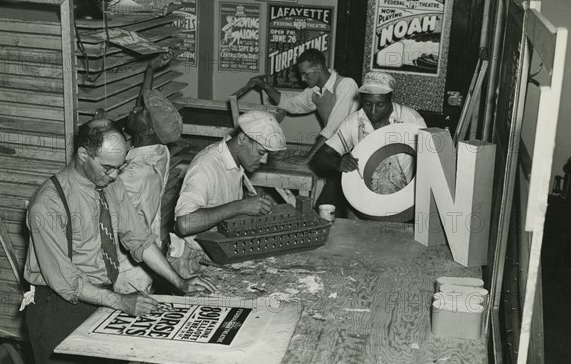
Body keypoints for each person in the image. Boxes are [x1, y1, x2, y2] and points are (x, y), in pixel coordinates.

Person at [24, 119, 216, 364]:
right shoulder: (47, 205)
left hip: (100, 297)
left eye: (120, 167)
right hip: (56, 307)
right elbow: (67, 282)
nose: (114, 175)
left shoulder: (109, 186)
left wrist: (178, 281)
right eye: (108, 168)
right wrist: (122, 301)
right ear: (83, 155)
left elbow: (139, 238)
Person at [170, 110, 286, 277]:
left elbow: (219, 204)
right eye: (261, 152)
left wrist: (248, 203)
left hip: (217, 252)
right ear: (242, 139)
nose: (264, 160)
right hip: (192, 260)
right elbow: (184, 224)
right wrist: (240, 206)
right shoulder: (206, 165)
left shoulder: (235, 162)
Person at [113, 51, 182, 294]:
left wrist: (94, 141)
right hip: (145, 266)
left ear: (149, 129)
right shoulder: (159, 152)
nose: (134, 109)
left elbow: (109, 215)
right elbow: (144, 109)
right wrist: (149, 71)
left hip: (126, 273)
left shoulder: (136, 174)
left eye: (141, 112)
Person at [312, 71, 427, 215]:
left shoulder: (412, 120)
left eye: (380, 104)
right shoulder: (354, 122)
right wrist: (337, 162)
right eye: (367, 104)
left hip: (400, 204)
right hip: (362, 205)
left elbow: (430, 164)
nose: (372, 111)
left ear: (390, 99)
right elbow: (319, 158)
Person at [249, 48, 359, 160]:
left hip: (356, 150)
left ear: (319, 67)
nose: (302, 79)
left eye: (305, 74)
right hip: (336, 148)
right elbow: (291, 104)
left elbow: (333, 128)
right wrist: (265, 86)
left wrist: (307, 159)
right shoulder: (314, 90)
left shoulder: (346, 85)